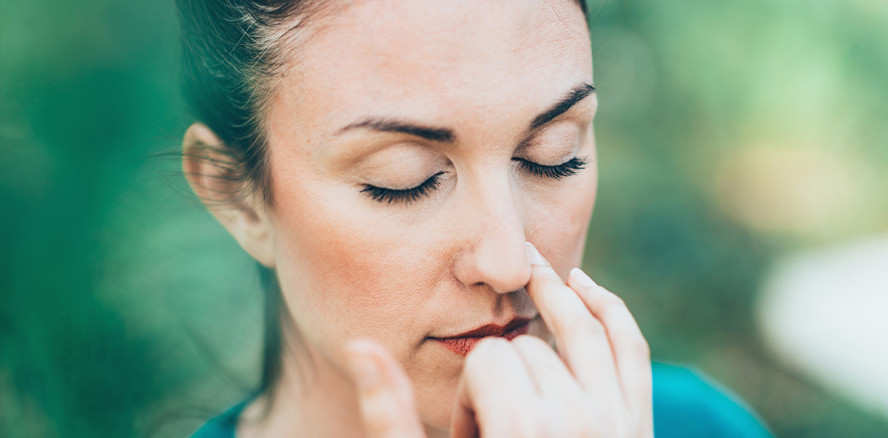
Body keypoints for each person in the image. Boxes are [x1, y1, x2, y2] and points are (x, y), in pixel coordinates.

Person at [178, 0, 773, 436]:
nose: (509, 263)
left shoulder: (704, 425)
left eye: (553, 157)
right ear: (237, 195)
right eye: (403, 181)